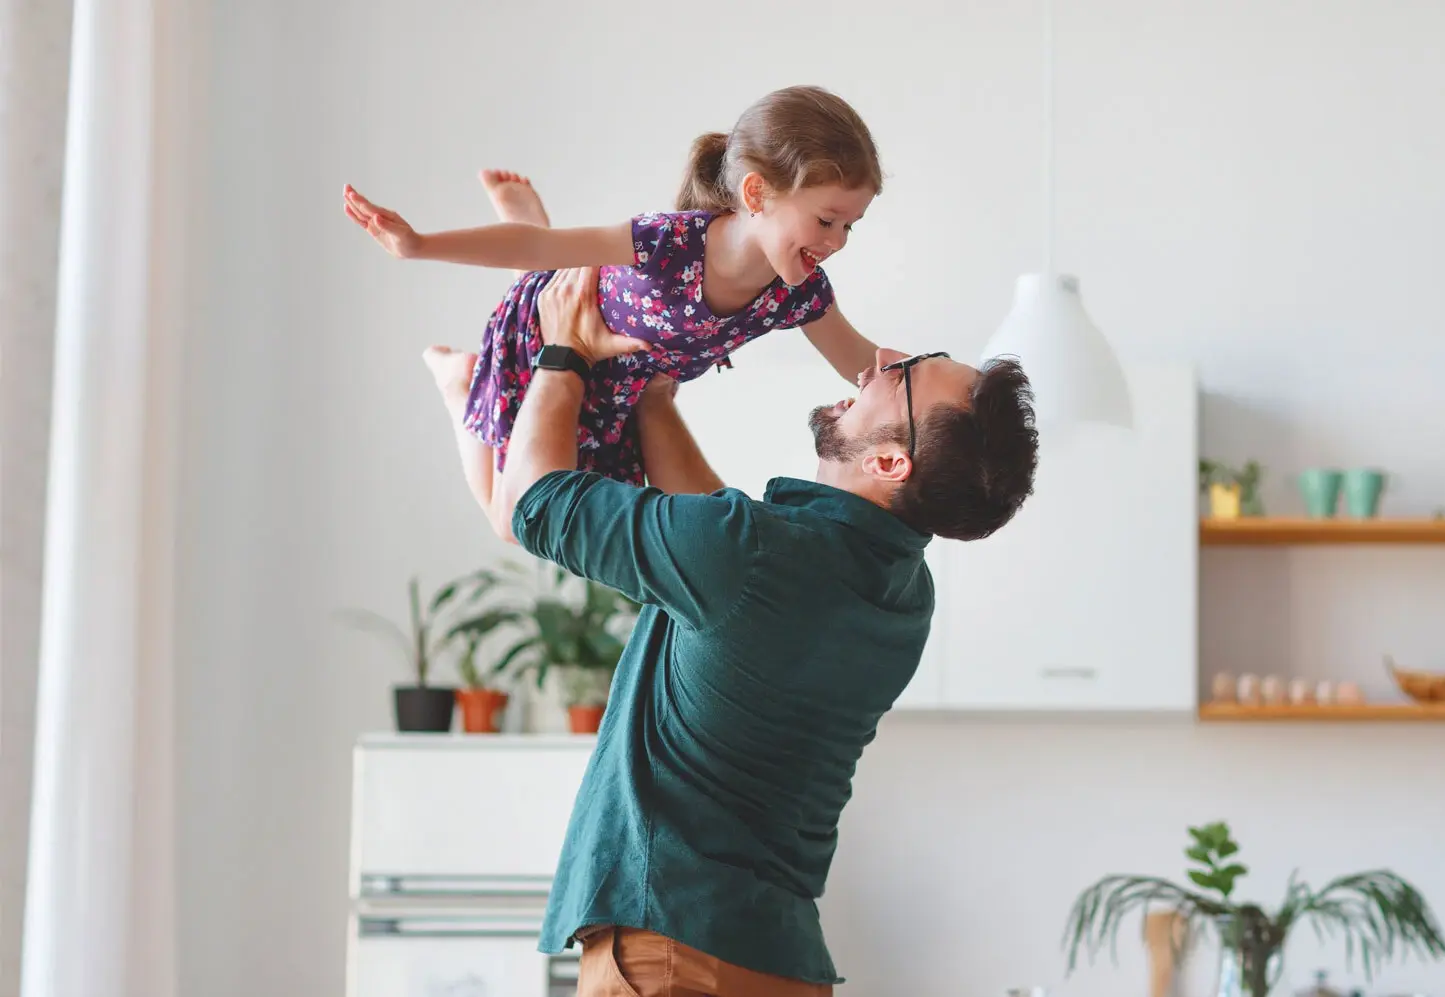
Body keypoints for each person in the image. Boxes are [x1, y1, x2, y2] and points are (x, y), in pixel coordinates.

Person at [440, 258, 1038, 996]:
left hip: (672, 958)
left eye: (904, 374)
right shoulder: (902, 594)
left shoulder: (752, 554)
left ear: (890, 459)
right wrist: (654, 400)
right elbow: (728, 565)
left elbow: (534, 503)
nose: (879, 359)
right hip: (776, 963)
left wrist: (562, 350)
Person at [343, 84, 886, 517]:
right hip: (549, 338)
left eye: (849, 226)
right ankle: (458, 384)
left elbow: (868, 365)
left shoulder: (799, 294)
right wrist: (418, 245)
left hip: (617, 394)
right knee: (514, 522)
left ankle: (524, 214)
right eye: (825, 220)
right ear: (756, 194)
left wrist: (969, 388)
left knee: (559, 520)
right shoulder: (669, 243)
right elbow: (542, 249)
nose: (836, 242)